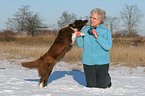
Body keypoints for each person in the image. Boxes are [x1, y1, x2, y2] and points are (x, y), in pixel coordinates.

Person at [76, 8, 112, 88]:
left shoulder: (105, 31)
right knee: (91, 87)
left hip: (102, 62)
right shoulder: (85, 30)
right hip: (88, 62)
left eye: (94, 18)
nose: (91, 20)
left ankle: (107, 79)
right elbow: (80, 45)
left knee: (102, 87)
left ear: (100, 20)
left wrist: (97, 36)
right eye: (91, 17)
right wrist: (78, 37)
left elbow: (108, 46)